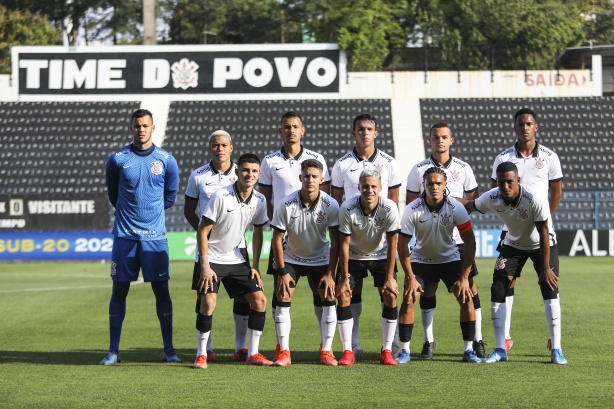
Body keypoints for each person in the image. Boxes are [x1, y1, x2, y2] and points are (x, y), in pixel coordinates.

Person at [464, 161, 567, 365]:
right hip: (513, 244)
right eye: (501, 182)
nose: (505, 186)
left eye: (510, 182)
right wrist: (442, 198)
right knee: (498, 288)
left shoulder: (534, 198)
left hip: (541, 244)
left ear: (518, 181)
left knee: (549, 287)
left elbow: (544, 232)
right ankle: (500, 348)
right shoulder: (492, 196)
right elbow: (470, 205)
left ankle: (557, 348)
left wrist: (545, 268)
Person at [101, 108, 180, 365]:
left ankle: (168, 350)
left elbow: (169, 197)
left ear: (153, 128)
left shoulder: (167, 160)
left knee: (162, 292)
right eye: (137, 126)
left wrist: (150, 215)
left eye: (145, 126)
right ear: (132, 127)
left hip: (154, 237)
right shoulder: (118, 159)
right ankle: (113, 351)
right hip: (125, 236)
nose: (141, 130)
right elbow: (113, 193)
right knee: (119, 291)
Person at [405, 123, 486, 359]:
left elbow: (472, 203)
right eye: (435, 137)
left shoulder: (463, 168)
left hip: (457, 239)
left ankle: (477, 339)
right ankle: (428, 342)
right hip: (427, 239)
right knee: (427, 288)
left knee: (469, 289)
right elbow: (412, 203)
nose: (440, 141)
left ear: (451, 140)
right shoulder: (417, 170)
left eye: (444, 137)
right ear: (429, 140)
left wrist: (449, 205)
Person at [258, 111, 331, 359]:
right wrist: (278, 222)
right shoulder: (269, 161)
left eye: (295, 126)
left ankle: (326, 348)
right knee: (282, 292)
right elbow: (266, 197)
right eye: (286, 127)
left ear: (303, 130)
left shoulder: (316, 158)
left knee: (321, 292)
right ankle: (282, 348)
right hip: (284, 235)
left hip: (314, 237)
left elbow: (326, 195)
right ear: (281, 131)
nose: (291, 130)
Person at [490, 108, 563, 352]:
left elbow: (556, 192)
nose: (524, 127)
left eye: (529, 123)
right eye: (520, 123)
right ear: (515, 127)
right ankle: (506, 337)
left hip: (542, 232)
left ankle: (556, 341)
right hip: (511, 231)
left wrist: (544, 219)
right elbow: (494, 193)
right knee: (505, 283)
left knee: (549, 282)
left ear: (536, 127)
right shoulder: (502, 159)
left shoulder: (550, 157)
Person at [331, 113, 402, 357]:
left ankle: (389, 345)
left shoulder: (390, 163)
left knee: (389, 292)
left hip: (380, 244)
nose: (365, 132)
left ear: (376, 132)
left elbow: (392, 203)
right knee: (350, 293)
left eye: (369, 128)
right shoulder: (341, 165)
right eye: (360, 129)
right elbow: (336, 201)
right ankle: (353, 342)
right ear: (354, 132)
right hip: (352, 240)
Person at [194, 153, 273, 368]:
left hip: (237, 259)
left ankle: (252, 353)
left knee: (260, 301)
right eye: (246, 170)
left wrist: (255, 266)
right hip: (212, 259)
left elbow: (258, 233)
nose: (250, 174)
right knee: (208, 303)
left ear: (259, 174)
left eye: (254, 171)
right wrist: (206, 266)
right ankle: (201, 354)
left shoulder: (260, 200)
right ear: (237, 172)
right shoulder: (221, 196)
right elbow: (202, 231)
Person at [397, 167, 479, 364]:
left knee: (466, 297)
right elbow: (402, 245)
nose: (434, 187)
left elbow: (470, 242)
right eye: (430, 183)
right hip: (420, 261)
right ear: (423, 185)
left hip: (449, 260)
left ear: (445, 185)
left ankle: (469, 350)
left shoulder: (455, 207)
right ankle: (404, 351)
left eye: (438, 183)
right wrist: (409, 278)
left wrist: (465, 278)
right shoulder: (412, 209)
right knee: (409, 298)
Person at [184, 130, 251, 363]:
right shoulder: (198, 176)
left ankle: (240, 347)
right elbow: (188, 210)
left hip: (237, 247)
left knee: (243, 297)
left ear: (231, 148)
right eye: (215, 145)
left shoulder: (243, 173)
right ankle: (206, 349)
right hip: (209, 249)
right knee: (205, 298)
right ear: (210, 148)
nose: (220, 149)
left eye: (224, 145)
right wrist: (205, 234)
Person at [270, 159, 340, 366]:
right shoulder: (286, 203)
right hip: (292, 257)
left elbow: (335, 241)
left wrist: (330, 272)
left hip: (320, 258)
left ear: (321, 180)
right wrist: (282, 272)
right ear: (300, 178)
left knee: (327, 296)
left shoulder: (330, 205)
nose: (310, 180)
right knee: (283, 294)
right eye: (306, 176)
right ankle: (284, 352)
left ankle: (326, 350)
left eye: (314, 176)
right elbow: (276, 238)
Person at [335, 168, 400, 366]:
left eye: (373, 186)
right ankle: (348, 350)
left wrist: (390, 277)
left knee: (390, 294)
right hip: (353, 256)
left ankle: (387, 349)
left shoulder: (389, 208)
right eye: (365, 186)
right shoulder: (347, 207)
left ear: (380, 187)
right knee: (345, 294)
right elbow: (344, 245)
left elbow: (392, 244)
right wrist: (344, 277)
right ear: (359, 187)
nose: (369, 190)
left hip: (380, 255)